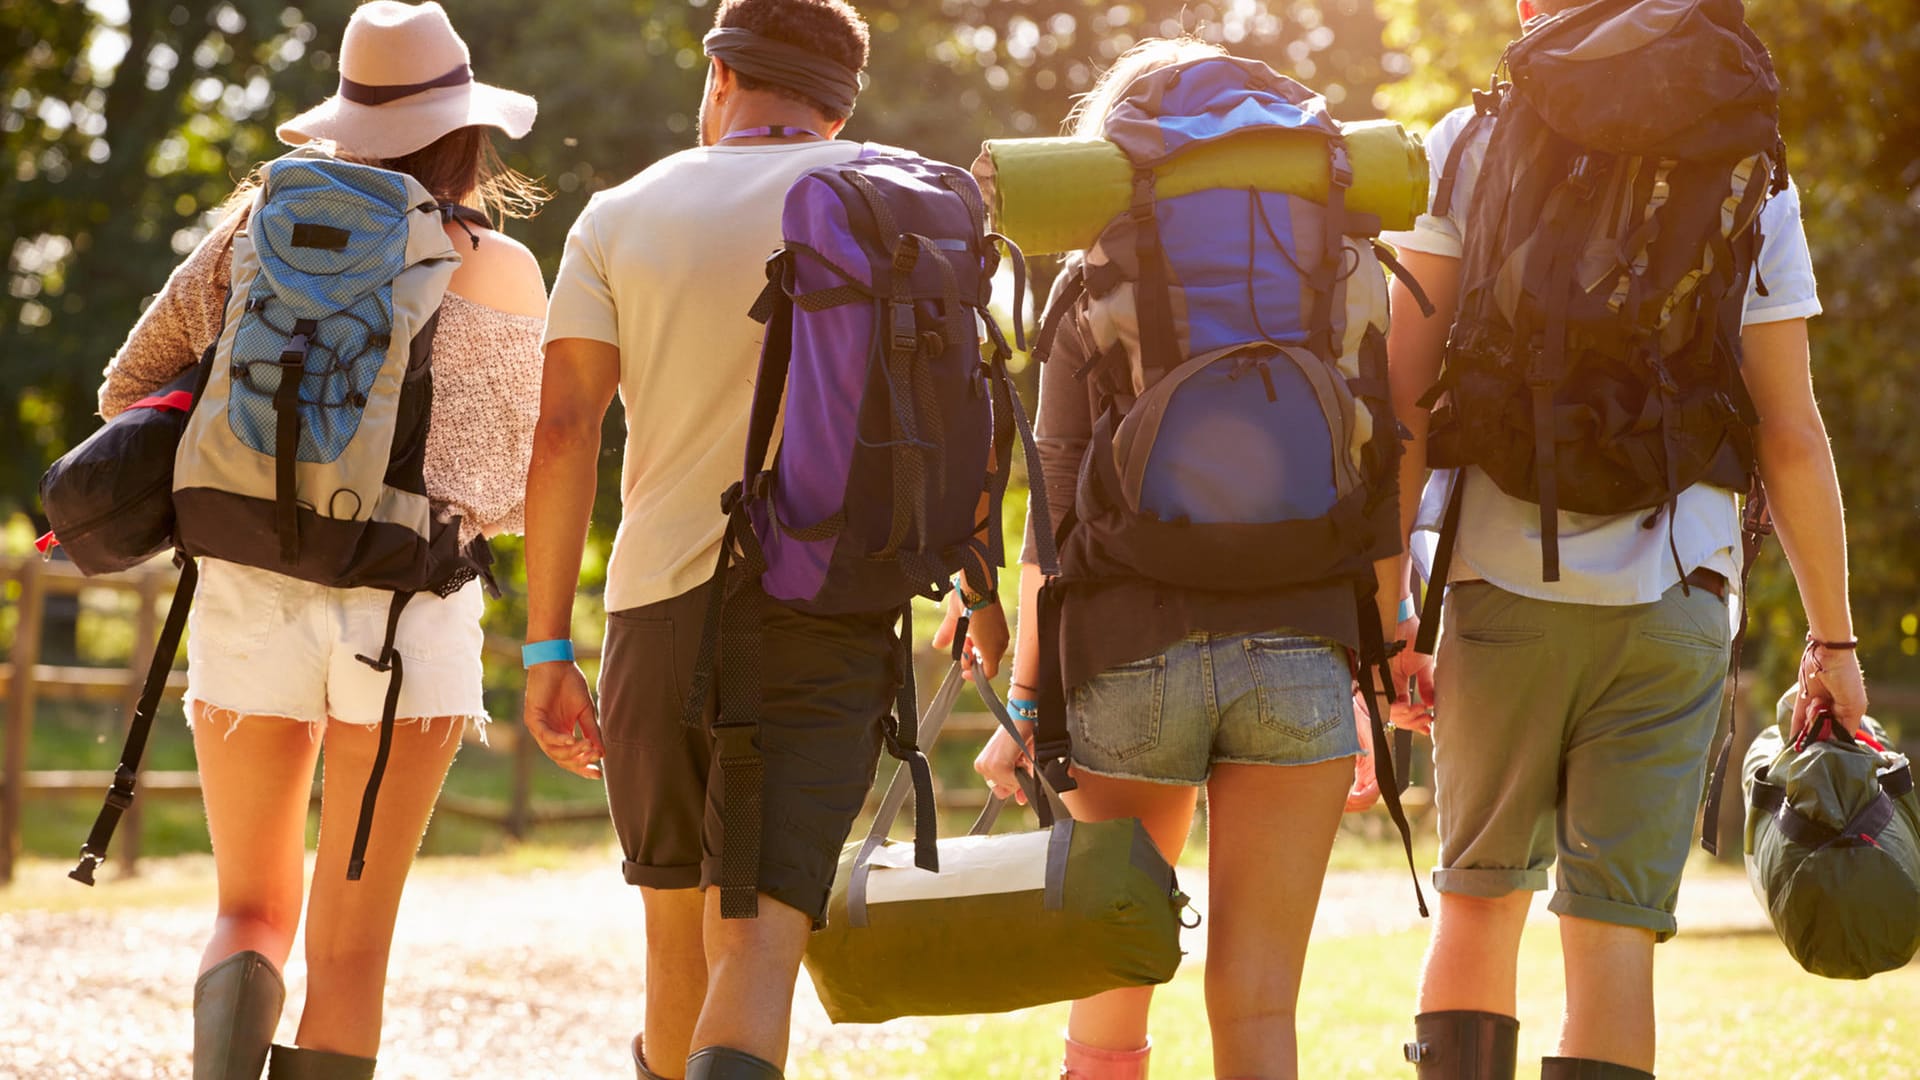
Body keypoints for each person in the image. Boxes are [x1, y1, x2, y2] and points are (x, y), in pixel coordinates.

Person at [519, 4, 1004, 1079]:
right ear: (841, 102)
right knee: (760, 936)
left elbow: (562, 432)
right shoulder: (897, 199)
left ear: (722, 77)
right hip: (824, 608)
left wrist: (546, 647)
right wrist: (979, 577)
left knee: (672, 932)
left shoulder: (620, 213)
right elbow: (967, 407)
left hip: (656, 609)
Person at [1385, 2, 1867, 1077]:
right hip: (1679, 586)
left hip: (1501, 578)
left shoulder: (1472, 138)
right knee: (1612, 940)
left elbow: (1403, 399)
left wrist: (1386, 599)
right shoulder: (1749, 153)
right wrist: (1832, 645)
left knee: (1476, 905)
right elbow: (1789, 434)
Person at [95, 4, 547, 1077]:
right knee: (352, 955)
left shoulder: (250, 234)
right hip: (409, 619)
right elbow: (499, 491)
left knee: (249, 912)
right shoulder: (501, 267)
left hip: (248, 592)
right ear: (466, 129)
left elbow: (126, 394)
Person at [974, 36, 1426, 1080]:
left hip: (1130, 653)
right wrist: (1383, 646)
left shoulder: (1096, 282)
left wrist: (1027, 695)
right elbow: (1378, 483)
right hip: (1301, 654)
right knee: (1260, 1007)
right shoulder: (1339, 271)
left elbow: (1049, 516)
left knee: (1110, 996)